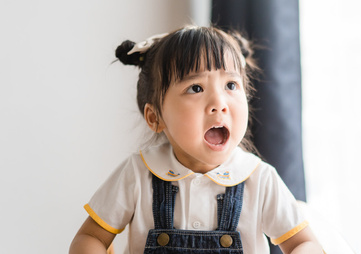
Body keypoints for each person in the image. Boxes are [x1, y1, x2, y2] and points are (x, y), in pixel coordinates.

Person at [70, 26, 322, 254]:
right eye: (196, 88)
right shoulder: (138, 173)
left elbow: (305, 243)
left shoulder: (259, 178)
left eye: (231, 85)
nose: (219, 104)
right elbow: (90, 237)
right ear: (155, 116)